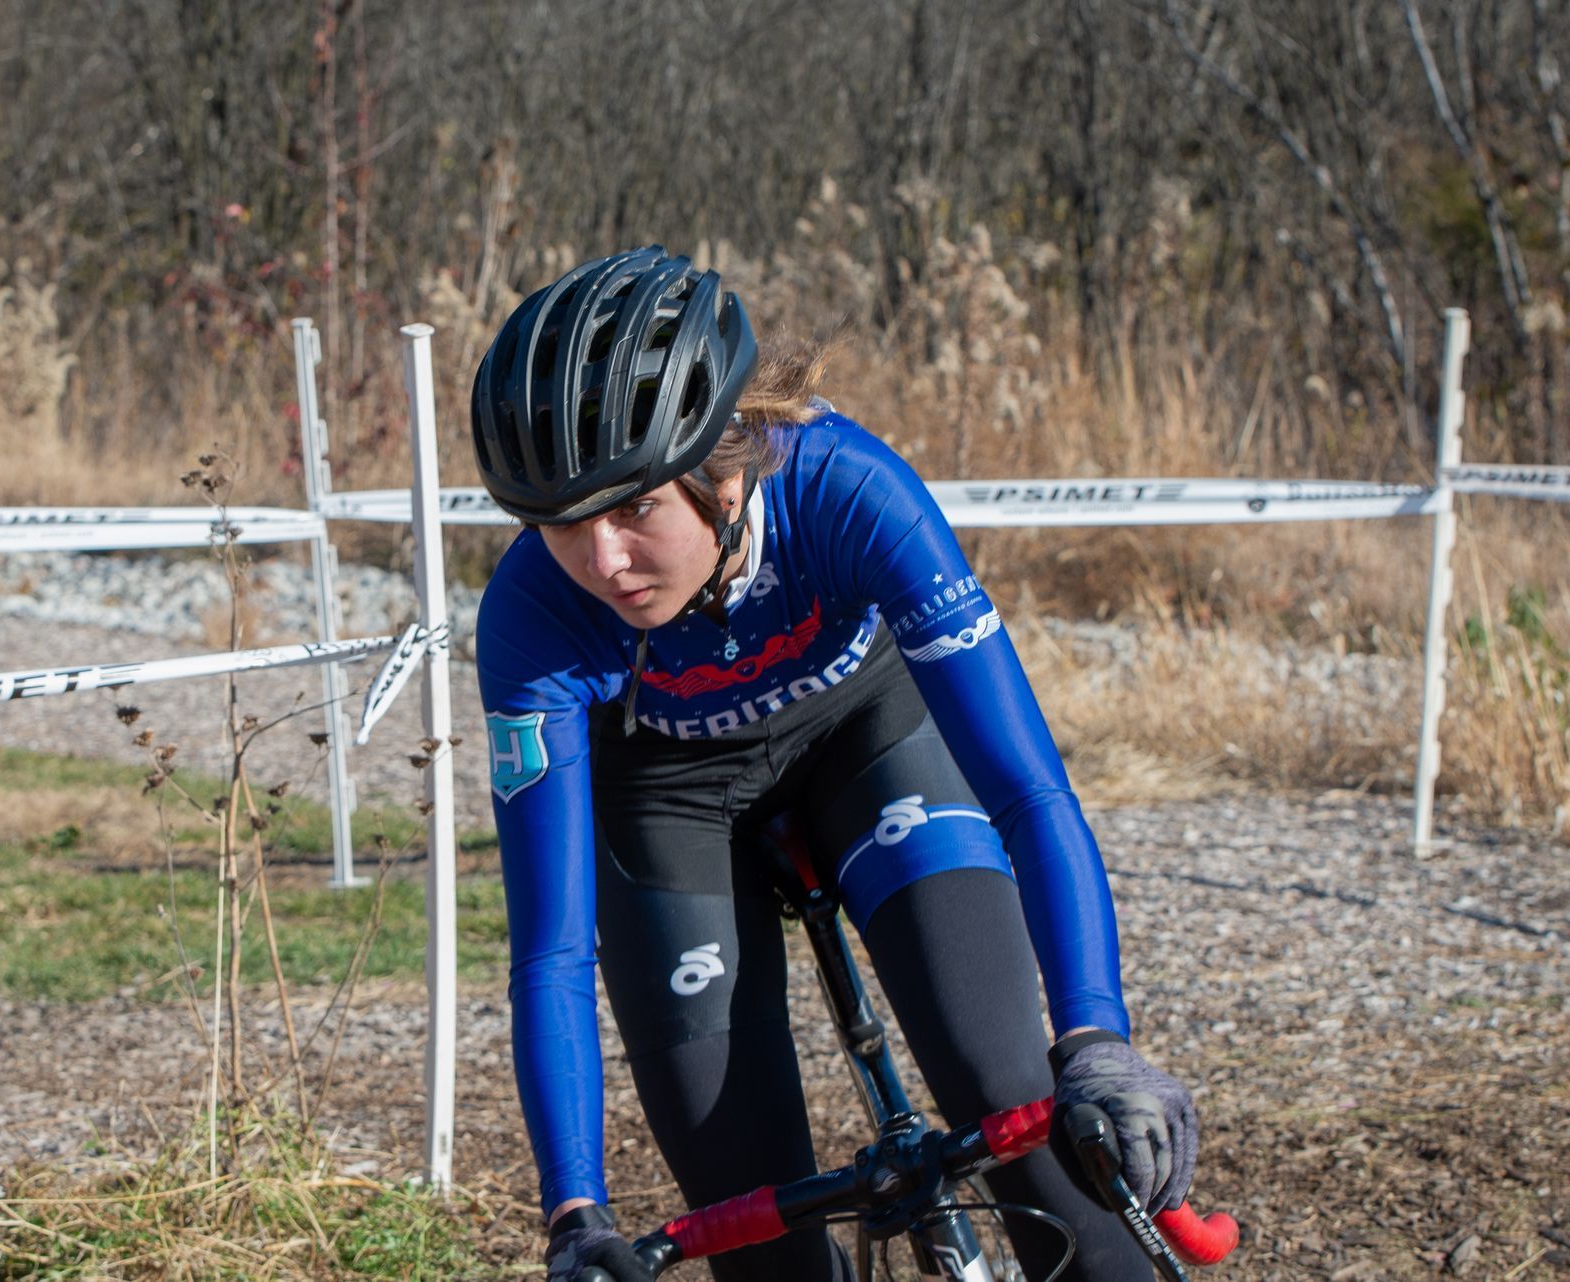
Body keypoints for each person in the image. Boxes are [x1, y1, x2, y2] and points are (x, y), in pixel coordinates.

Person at [472, 246, 1198, 1282]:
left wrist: (1096, 1038)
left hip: (864, 732)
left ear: (723, 470)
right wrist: (574, 1216)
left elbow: (1029, 793)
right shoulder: (532, 616)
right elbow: (550, 952)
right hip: (666, 790)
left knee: (1025, 1114)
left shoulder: (849, 489)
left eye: (633, 510)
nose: (604, 565)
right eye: (558, 527)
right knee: (753, 1230)